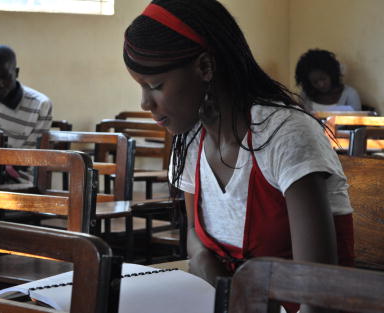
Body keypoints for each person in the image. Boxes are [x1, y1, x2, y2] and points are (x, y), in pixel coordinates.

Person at [123, 1, 354, 313]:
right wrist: (210, 268)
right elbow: (194, 234)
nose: (144, 103)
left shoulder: (284, 135)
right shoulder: (192, 140)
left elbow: (316, 296)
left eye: (155, 86)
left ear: (205, 67)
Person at [295, 49, 361, 112]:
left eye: (323, 79)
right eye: (315, 82)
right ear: (308, 82)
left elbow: (357, 121)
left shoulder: (350, 95)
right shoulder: (305, 96)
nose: (321, 84)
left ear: (332, 74)